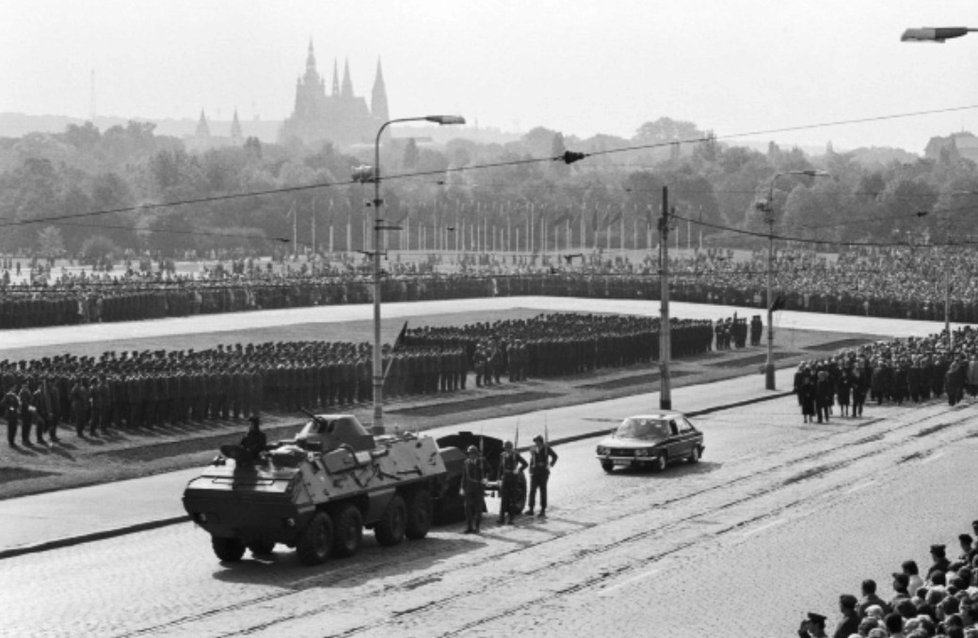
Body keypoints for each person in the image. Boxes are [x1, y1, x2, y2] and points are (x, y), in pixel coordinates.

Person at [525, 434, 558, 517]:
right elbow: (532, 459)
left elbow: (555, 456)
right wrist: (530, 468)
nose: (536, 443)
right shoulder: (533, 449)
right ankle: (531, 508)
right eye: (535, 442)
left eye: (537, 441)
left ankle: (543, 510)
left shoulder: (546, 448)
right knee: (532, 491)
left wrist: (550, 464)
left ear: (541, 441)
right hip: (535, 472)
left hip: (543, 472)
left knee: (543, 491)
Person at [497, 440, 527, 525]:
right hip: (505, 479)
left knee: (513, 500)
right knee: (504, 499)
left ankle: (511, 519)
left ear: (511, 448)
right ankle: (501, 518)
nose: (507, 449)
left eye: (509, 448)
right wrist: (499, 478)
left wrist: (518, 470)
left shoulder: (516, 455)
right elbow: (500, 468)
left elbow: (525, 464)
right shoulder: (502, 455)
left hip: (513, 479)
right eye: (506, 448)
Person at [461, 445, 486, 534]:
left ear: (476, 454)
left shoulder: (482, 461)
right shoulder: (466, 463)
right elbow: (464, 476)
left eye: (473, 453)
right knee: (467, 508)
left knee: (478, 508)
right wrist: (462, 487)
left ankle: (477, 527)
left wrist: (486, 478)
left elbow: (490, 470)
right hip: (469, 488)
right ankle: (469, 527)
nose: (471, 455)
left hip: (479, 488)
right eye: (470, 453)